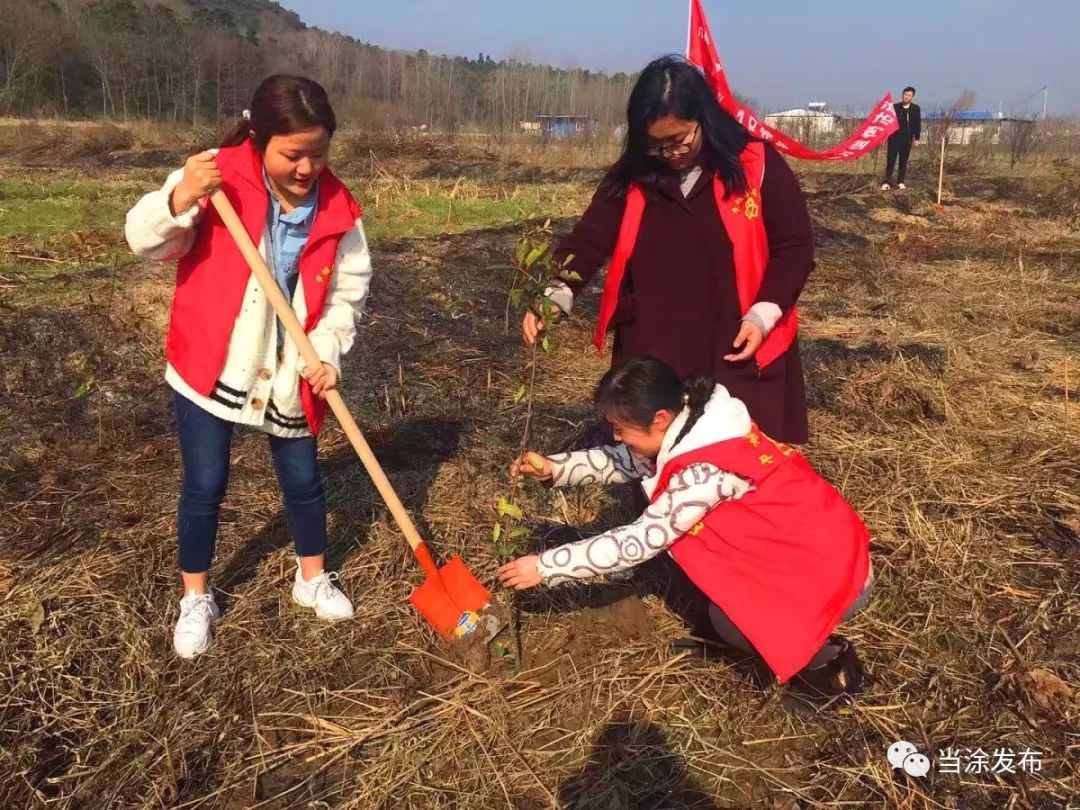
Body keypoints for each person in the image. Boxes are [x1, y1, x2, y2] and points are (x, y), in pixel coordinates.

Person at [125, 75, 373, 658]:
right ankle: (196, 597)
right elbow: (142, 240)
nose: (307, 167)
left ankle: (311, 578)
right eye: (293, 154)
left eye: (318, 153)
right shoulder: (216, 178)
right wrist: (181, 197)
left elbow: (348, 292)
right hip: (213, 357)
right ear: (261, 140)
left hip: (292, 367)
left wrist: (329, 351)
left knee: (305, 482)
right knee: (206, 483)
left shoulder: (340, 209)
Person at [497, 355, 873, 696]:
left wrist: (546, 567)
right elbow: (628, 461)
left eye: (620, 428)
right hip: (816, 555)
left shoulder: (703, 469)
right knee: (711, 605)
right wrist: (554, 468)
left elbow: (642, 539)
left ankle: (823, 663)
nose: (614, 436)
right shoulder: (695, 423)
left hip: (835, 578)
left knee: (726, 623)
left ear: (659, 419)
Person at [522, 56, 815, 447]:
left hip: (734, 335)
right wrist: (558, 292)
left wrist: (764, 313)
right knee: (655, 446)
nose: (671, 153)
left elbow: (794, 247)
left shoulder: (756, 166)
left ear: (703, 120)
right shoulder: (633, 177)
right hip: (655, 337)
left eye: (679, 140)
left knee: (737, 453)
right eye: (656, 145)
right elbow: (591, 237)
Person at [882, 86, 922, 191]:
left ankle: (900, 182)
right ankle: (886, 182)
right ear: (902, 95)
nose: (906, 97)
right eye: (905, 94)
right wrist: (884, 135)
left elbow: (917, 124)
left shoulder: (915, 109)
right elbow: (888, 122)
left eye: (909, 95)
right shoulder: (895, 107)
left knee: (903, 161)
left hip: (907, 139)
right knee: (891, 161)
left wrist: (917, 138)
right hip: (894, 138)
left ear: (912, 96)